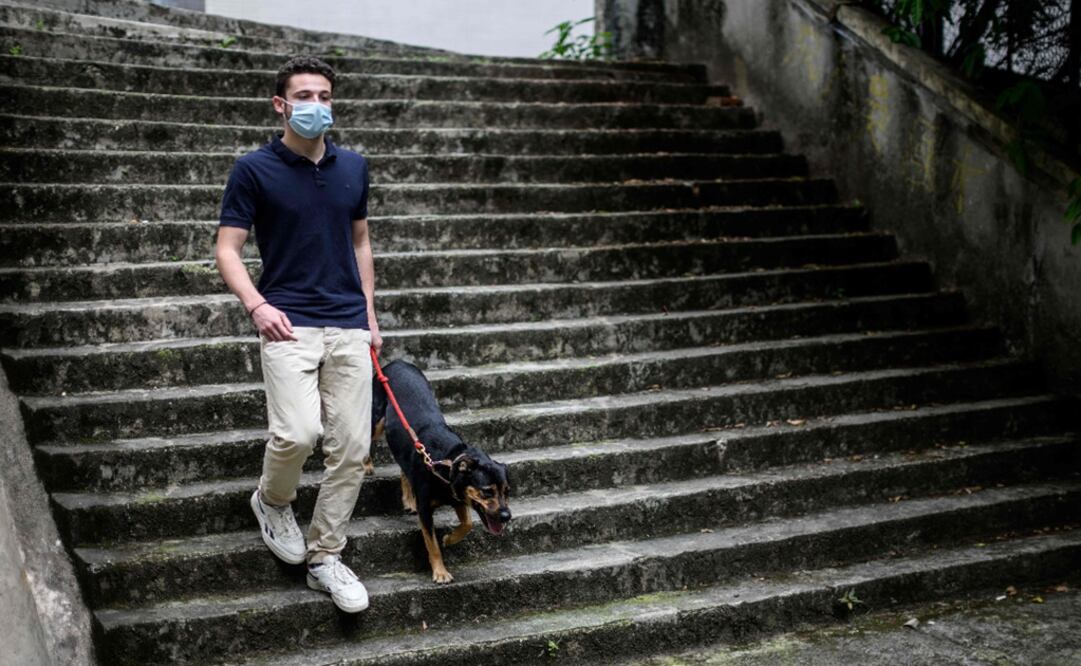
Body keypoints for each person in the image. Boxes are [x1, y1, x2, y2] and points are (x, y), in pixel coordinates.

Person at [214, 55, 381, 613]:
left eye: (325, 96)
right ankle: (271, 500)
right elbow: (228, 249)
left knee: (353, 449)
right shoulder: (253, 169)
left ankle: (325, 556)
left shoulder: (353, 166)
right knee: (298, 434)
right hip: (288, 322)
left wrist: (369, 315)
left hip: (348, 323)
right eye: (304, 96)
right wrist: (256, 305)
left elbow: (360, 241)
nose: (316, 105)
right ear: (280, 104)